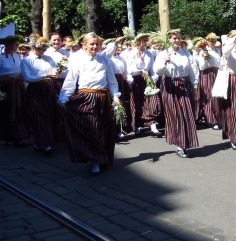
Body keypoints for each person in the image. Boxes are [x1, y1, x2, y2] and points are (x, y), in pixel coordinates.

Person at [58, 33, 121, 175]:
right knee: (91, 128)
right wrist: (64, 98)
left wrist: (115, 96)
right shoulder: (78, 61)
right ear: (84, 45)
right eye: (91, 44)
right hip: (85, 97)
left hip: (102, 98)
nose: (95, 46)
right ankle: (94, 159)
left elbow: (111, 81)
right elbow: (70, 81)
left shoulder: (104, 61)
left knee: (103, 129)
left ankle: (101, 157)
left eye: (97, 44)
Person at [153, 29, 200, 158]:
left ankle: (185, 142)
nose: (177, 40)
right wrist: (165, 61)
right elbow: (157, 71)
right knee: (176, 115)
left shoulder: (186, 53)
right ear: (168, 40)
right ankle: (180, 145)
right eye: (174, 38)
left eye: (178, 38)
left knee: (186, 114)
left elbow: (193, 69)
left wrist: (195, 85)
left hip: (184, 85)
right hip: (170, 86)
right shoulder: (163, 54)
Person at [20, 37, 58, 154]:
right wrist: (45, 75)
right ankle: (43, 143)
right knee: (39, 116)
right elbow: (27, 78)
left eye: (45, 48)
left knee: (50, 114)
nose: (43, 50)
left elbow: (54, 70)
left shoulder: (49, 58)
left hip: (49, 88)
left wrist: (57, 73)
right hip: (35, 90)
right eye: (40, 48)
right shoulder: (26, 60)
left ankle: (46, 141)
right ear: (33, 47)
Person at [126, 33, 163, 136]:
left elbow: (152, 68)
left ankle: (153, 124)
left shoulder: (149, 54)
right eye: (143, 41)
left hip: (147, 79)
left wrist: (153, 79)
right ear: (138, 42)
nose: (145, 43)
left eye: (146, 41)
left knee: (151, 101)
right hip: (137, 80)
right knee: (139, 103)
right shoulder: (132, 53)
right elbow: (131, 70)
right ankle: (138, 125)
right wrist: (139, 63)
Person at [0, 35, 28, 145]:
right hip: (6, 86)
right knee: (7, 110)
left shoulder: (18, 55)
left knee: (19, 109)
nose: (16, 46)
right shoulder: (1, 56)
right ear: (8, 44)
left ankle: (18, 136)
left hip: (18, 86)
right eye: (14, 44)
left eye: (17, 44)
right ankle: (6, 136)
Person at [195, 32, 222, 130]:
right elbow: (202, 66)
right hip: (207, 74)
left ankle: (218, 117)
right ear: (207, 41)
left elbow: (219, 63)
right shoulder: (204, 51)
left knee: (217, 96)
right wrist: (206, 57)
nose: (213, 42)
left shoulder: (217, 50)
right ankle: (211, 119)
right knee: (209, 96)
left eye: (214, 40)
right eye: (211, 41)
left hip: (216, 74)